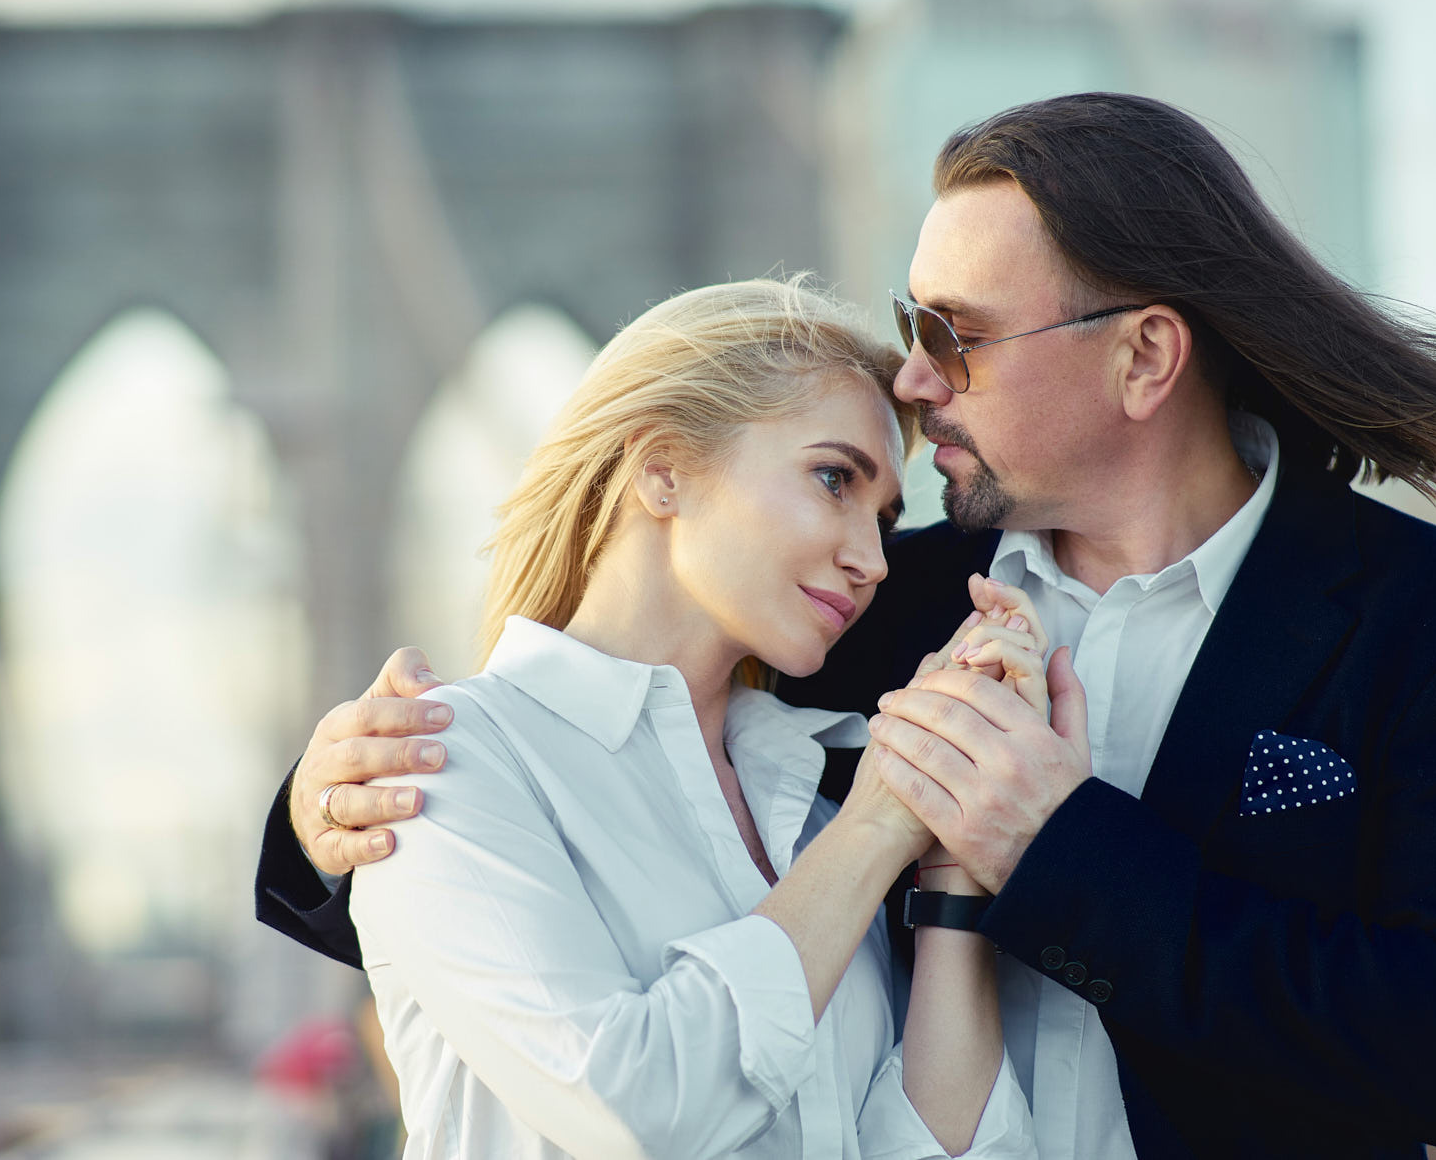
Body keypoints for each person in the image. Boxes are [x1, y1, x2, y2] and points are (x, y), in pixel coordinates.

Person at [257, 93, 1436, 1159]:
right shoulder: (866, 607)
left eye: (956, 333)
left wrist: (1062, 849)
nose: (911, 379)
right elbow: (584, 817)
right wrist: (323, 822)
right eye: (910, 326)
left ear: (1145, 357)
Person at [338, 277, 1039, 1157]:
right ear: (662, 469)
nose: (873, 560)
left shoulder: (811, 805)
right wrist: (880, 823)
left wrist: (952, 875)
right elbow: (634, 1110)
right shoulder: (444, 764)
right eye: (832, 480)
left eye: (886, 519)